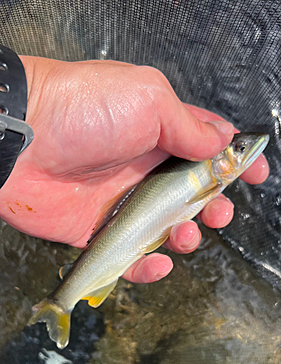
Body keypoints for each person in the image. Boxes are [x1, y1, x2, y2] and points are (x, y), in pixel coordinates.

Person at [0, 57, 269, 283]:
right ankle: (63, 301)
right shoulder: (212, 174)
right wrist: (36, 100)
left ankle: (66, 298)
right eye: (240, 150)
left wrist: (34, 103)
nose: (245, 150)